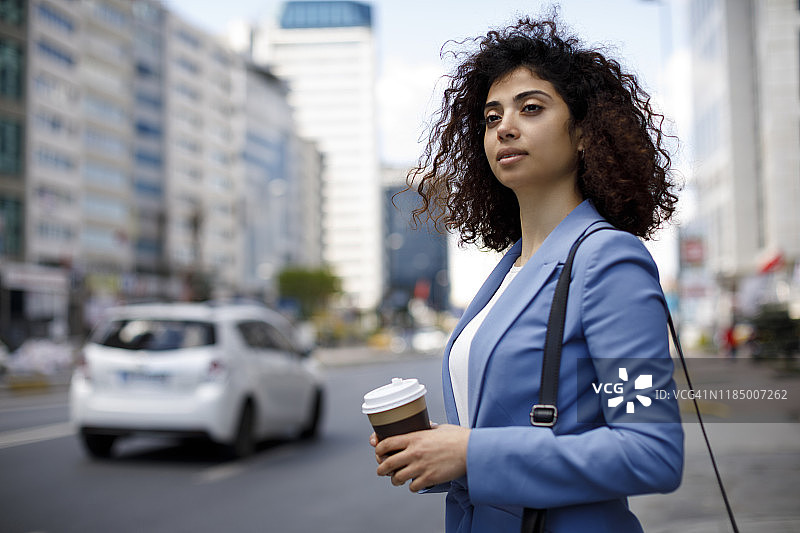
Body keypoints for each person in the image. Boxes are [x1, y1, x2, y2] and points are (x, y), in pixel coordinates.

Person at [369, 13, 685, 533]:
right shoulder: (509, 271)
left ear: (584, 132)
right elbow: (504, 430)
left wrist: (471, 453)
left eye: (531, 108)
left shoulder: (610, 260)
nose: (505, 127)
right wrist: (435, 453)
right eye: (491, 118)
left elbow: (650, 451)